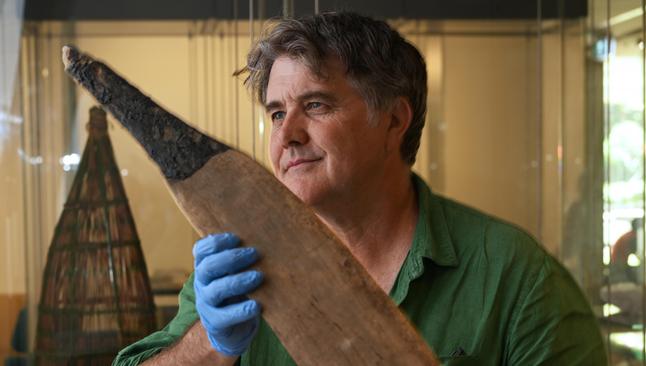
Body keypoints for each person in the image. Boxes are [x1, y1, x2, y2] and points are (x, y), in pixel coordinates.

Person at [113, 12, 606, 365]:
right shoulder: (241, 265)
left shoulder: (517, 279)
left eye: (318, 105)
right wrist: (211, 345)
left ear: (394, 119)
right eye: (277, 113)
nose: (286, 137)